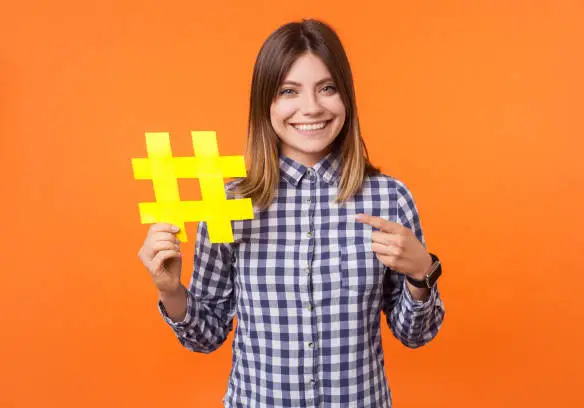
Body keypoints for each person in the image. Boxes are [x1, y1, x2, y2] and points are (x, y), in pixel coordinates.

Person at [138, 18, 445, 408]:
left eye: (327, 88)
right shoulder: (228, 203)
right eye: (289, 91)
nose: (311, 107)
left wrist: (422, 272)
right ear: (266, 102)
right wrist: (170, 290)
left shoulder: (390, 199)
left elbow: (415, 334)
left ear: (346, 97)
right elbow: (207, 335)